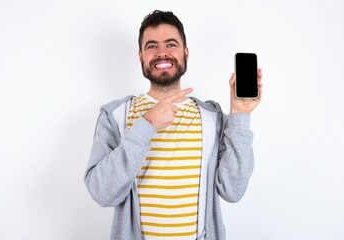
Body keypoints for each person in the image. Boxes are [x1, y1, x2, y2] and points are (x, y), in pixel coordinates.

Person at [84, 10, 263, 240]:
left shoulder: (211, 117)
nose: (162, 53)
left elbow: (232, 190)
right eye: (151, 46)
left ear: (185, 53)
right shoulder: (115, 114)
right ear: (140, 56)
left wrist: (239, 115)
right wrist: (146, 125)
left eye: (171, 44)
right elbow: (102, 193)